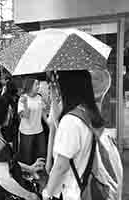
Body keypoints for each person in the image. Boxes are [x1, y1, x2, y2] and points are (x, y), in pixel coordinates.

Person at [42, 71, 105, 200]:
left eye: (60, 85)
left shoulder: (70, 121)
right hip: (84, 185)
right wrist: (54, 96)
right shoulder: (87, 113)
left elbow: (61, 166)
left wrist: (47, 193)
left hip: (70, 191)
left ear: (68, 87)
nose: (58, 89)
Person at [0, 94, 44, 200]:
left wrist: (29, 168)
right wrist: (29, 195)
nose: (10, 114)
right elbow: (4, 179)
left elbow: (4, 162)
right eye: (8, 111)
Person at [17, 79, 47, 167]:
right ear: (30, 86)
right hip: (27, 131)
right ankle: (28, 174)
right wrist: (25, 103)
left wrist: (49, 124)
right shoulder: (23, 98)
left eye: (38, 84)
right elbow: (25, 115)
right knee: (27, 155)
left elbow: (43, 113)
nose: (38, 87)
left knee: (41, 152)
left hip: (39, 130)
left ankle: (39, 171)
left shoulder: (39, 97)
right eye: (36, 85)